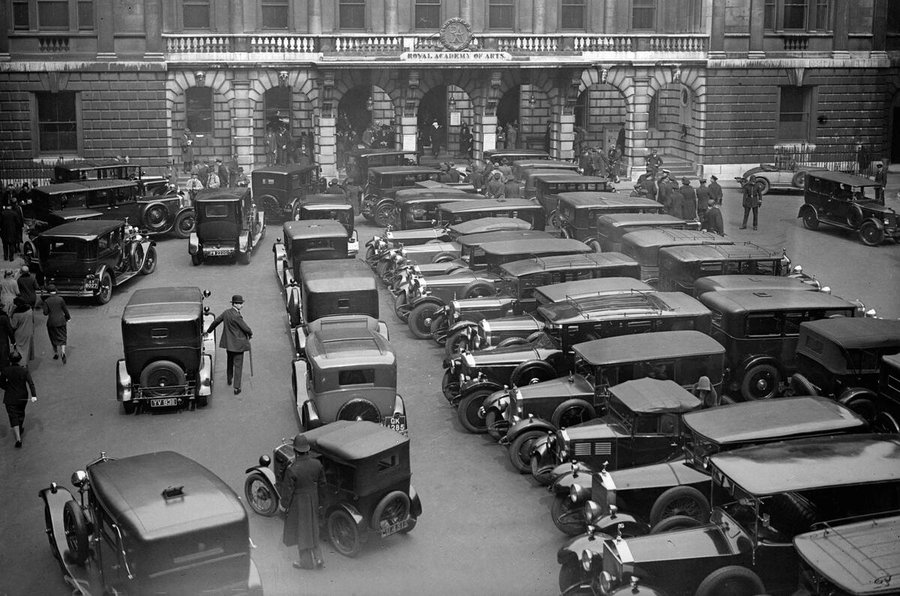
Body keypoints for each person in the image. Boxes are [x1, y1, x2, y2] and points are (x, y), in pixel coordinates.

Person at [282, 434, 325, 570]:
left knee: (302, 531)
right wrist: (321, 502)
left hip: (299, 502)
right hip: (314, 498)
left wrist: (285, 506)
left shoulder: (292, 469)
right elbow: (323, 485)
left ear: (295, 451)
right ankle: (319, 558)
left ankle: (306, 562)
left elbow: (287, 492)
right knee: (313, 528)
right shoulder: (317, 464)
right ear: (307, 450)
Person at [206, 294, 252, 395]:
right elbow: (245, 328)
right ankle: (237, 387)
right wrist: (250, 333)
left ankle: (229, 378)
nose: (242, 305)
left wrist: (208, 331)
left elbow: (216, 321)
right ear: (235, 304)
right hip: (238, 345)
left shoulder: (226, 313)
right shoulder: (237, 316)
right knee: (238, 366)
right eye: (240, 304)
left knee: (229, 362)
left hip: (228, 344)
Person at [2, 351, 36, 448]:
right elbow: (30, 383)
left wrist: (7, 387)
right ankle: (19, 428)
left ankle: (18, 439)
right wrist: (34, 395)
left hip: (10, 397)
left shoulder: (5, 370)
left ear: (10, 359)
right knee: (20, 413)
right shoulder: (24, 370)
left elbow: (1, 382)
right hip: (22, 396)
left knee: (13, 416)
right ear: (20, 360)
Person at [42, 284, 70, 363]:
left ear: (49, 292)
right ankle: (63, 352)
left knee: (53, 337)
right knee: (63, 336)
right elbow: (65, 310)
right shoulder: (60, 299)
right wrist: (68, 317)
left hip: (51, 322)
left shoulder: (47, 301)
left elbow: (45, 313)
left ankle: (56, 353)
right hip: (61, 321)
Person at [10, 297, 34, 362]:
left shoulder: (16, 314)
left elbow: (13, 326)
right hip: (29, 332)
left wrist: (10, 315)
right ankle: (25, 363)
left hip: (20, 334)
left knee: (20, 350)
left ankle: (22, 363)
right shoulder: (30, 310)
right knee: (27, 349)